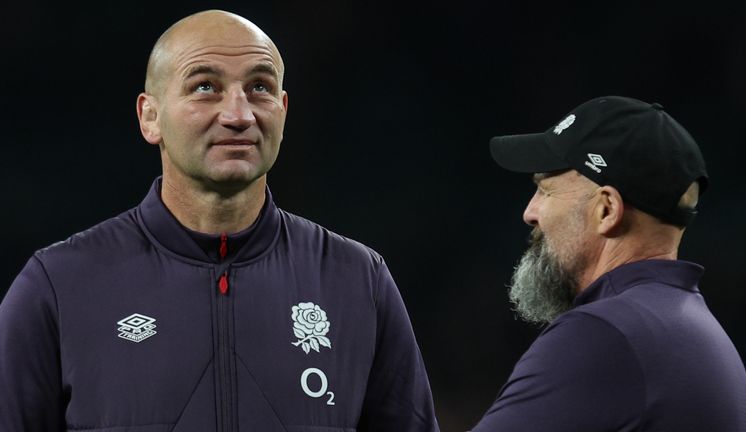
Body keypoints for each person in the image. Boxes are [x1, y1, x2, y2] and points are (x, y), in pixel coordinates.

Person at [0, 10, 439, 431]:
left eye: (260, 88)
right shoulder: (58, 285)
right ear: (149, 116)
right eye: (206, 86)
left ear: (283, 111)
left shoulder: (357, 280)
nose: (239, 115)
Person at [472, 96, 746, 431]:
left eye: (545, 191)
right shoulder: (694, 333)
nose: (529, 213)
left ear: (607, 210)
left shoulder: (605, 335)